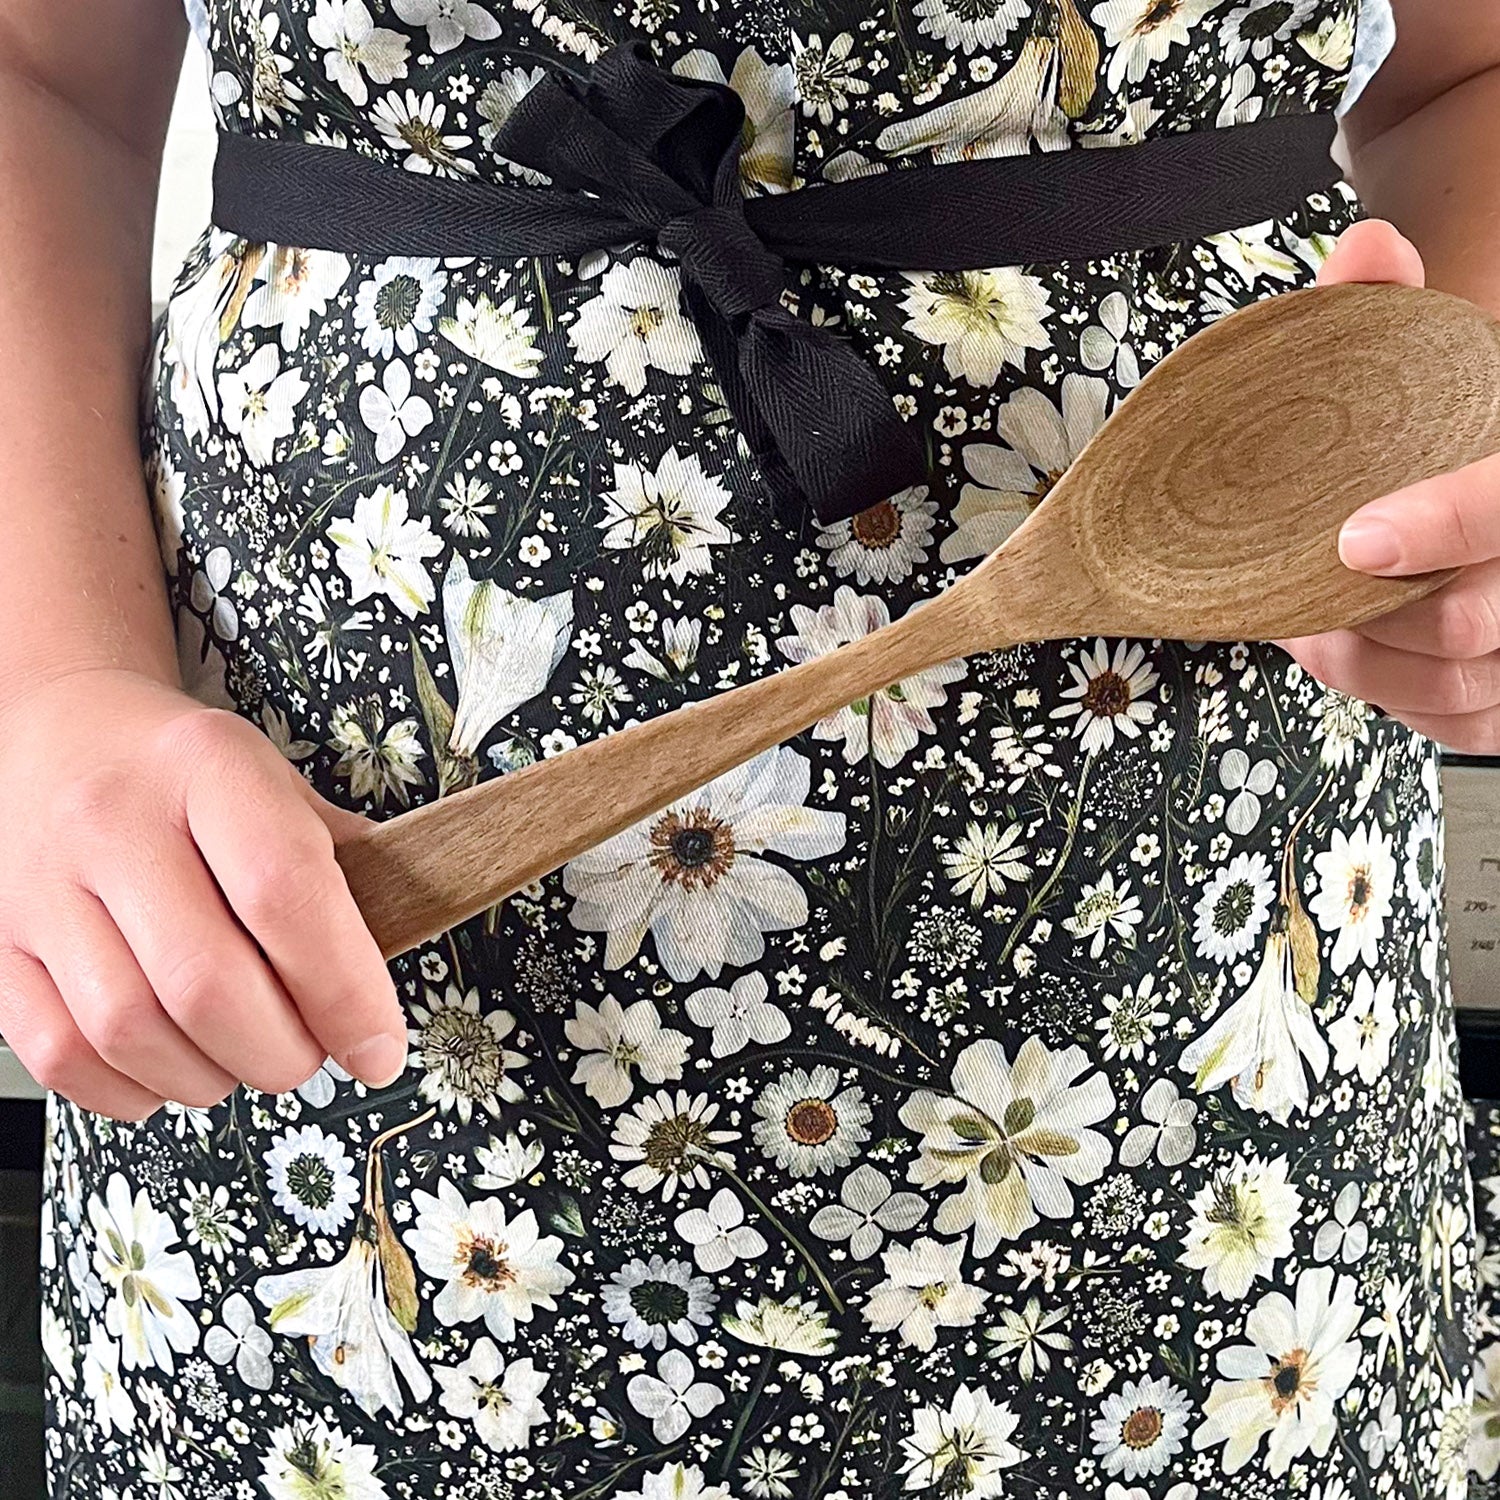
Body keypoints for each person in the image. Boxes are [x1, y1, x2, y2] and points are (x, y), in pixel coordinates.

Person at [4, 0, 1498, 1495]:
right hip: (292, 911)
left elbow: (1468, 76)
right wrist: (50, 678)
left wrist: (1467, 435)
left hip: (1197, 895)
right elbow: (37, 76)